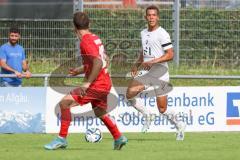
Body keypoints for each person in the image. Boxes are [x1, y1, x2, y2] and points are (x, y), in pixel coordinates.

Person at [44, 12, 127, 150]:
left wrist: (87, 83)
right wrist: (80, 70)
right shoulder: (95, 38)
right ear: (89, 24)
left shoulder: (85, 42)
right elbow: (104, 59)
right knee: (100, 111)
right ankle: (118, 137)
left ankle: (62, 139)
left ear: (73, 27)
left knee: (65, 103)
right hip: (105, 82)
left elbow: (98, 62)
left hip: (97, 84)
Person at [126, 5, 186, 140]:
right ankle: (147, 115)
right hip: (147, 73)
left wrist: (153, 61)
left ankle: (180, 125)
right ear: (145, 17)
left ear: (157, 17)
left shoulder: (162, 33)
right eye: (149, 15)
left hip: (161, 74)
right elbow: (145, 52)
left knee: (163, 109)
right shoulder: (143, 33)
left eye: (154, 15)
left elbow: (170, 54)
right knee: (130, 93)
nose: (151, 17)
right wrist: (136, 64)